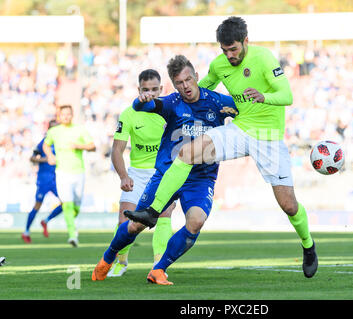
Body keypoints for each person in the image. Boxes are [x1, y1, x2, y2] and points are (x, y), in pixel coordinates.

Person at [125, 16, 318, 278]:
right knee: (187, 152)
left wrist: (265, 97)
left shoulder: (264, 58)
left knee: (289, 205)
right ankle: (152, 211)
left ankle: (308, 244)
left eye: (234, 49)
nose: (229, 55)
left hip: (268, 136)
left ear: (245, 41)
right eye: (224, 50)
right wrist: (172, 103)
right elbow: (201, 88)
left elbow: (287, 95)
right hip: (239, 129)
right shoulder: (220, 64)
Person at [92, 55, 238, 284]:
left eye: (189, 80)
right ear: (173, 85)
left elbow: (248, 112)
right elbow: (144, 105)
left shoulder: (219, 102)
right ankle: (108, 258)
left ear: (196, 77)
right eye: (179, 83)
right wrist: (141, 100)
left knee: (196, 221)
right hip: (167, 175)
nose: (185, 86)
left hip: (201, 179)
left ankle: (159, 269)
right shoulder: (171, 103)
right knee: (136, 225)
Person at [108, 69, 175, 277]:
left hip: (163, 172)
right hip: (137, 173)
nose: (151, 94)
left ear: (161, 89)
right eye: (146, 90)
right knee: (125, 221)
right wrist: (123, 176)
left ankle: (158, 267)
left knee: (164, 217)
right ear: (139, 90)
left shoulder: (170, 110)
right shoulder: (129, 113)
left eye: (155, 89)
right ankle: (122, 262)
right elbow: (117, 150)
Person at [43, 105, 96, 247]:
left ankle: (71, 223)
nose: (66, 116)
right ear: (59, 116)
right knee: (67, 203)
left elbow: (92, 146)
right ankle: (72, 235)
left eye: (68, 114)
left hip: (79, 172)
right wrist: (50, 156)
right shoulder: (54, 131)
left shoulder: (80, 129)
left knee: (76, 205)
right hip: (62, 172)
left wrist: (80, 146)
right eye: (63, 114)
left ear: (72, 115)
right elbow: (46, 145)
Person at [21, 119, 63, 243]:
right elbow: (32, 158)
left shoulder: (61, 143)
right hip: (44, 180)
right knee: (37, 205)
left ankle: (46, 221)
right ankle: (26, 231)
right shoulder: (43, 143)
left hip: (56, 179)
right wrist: (46, 159)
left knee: (65, 203)